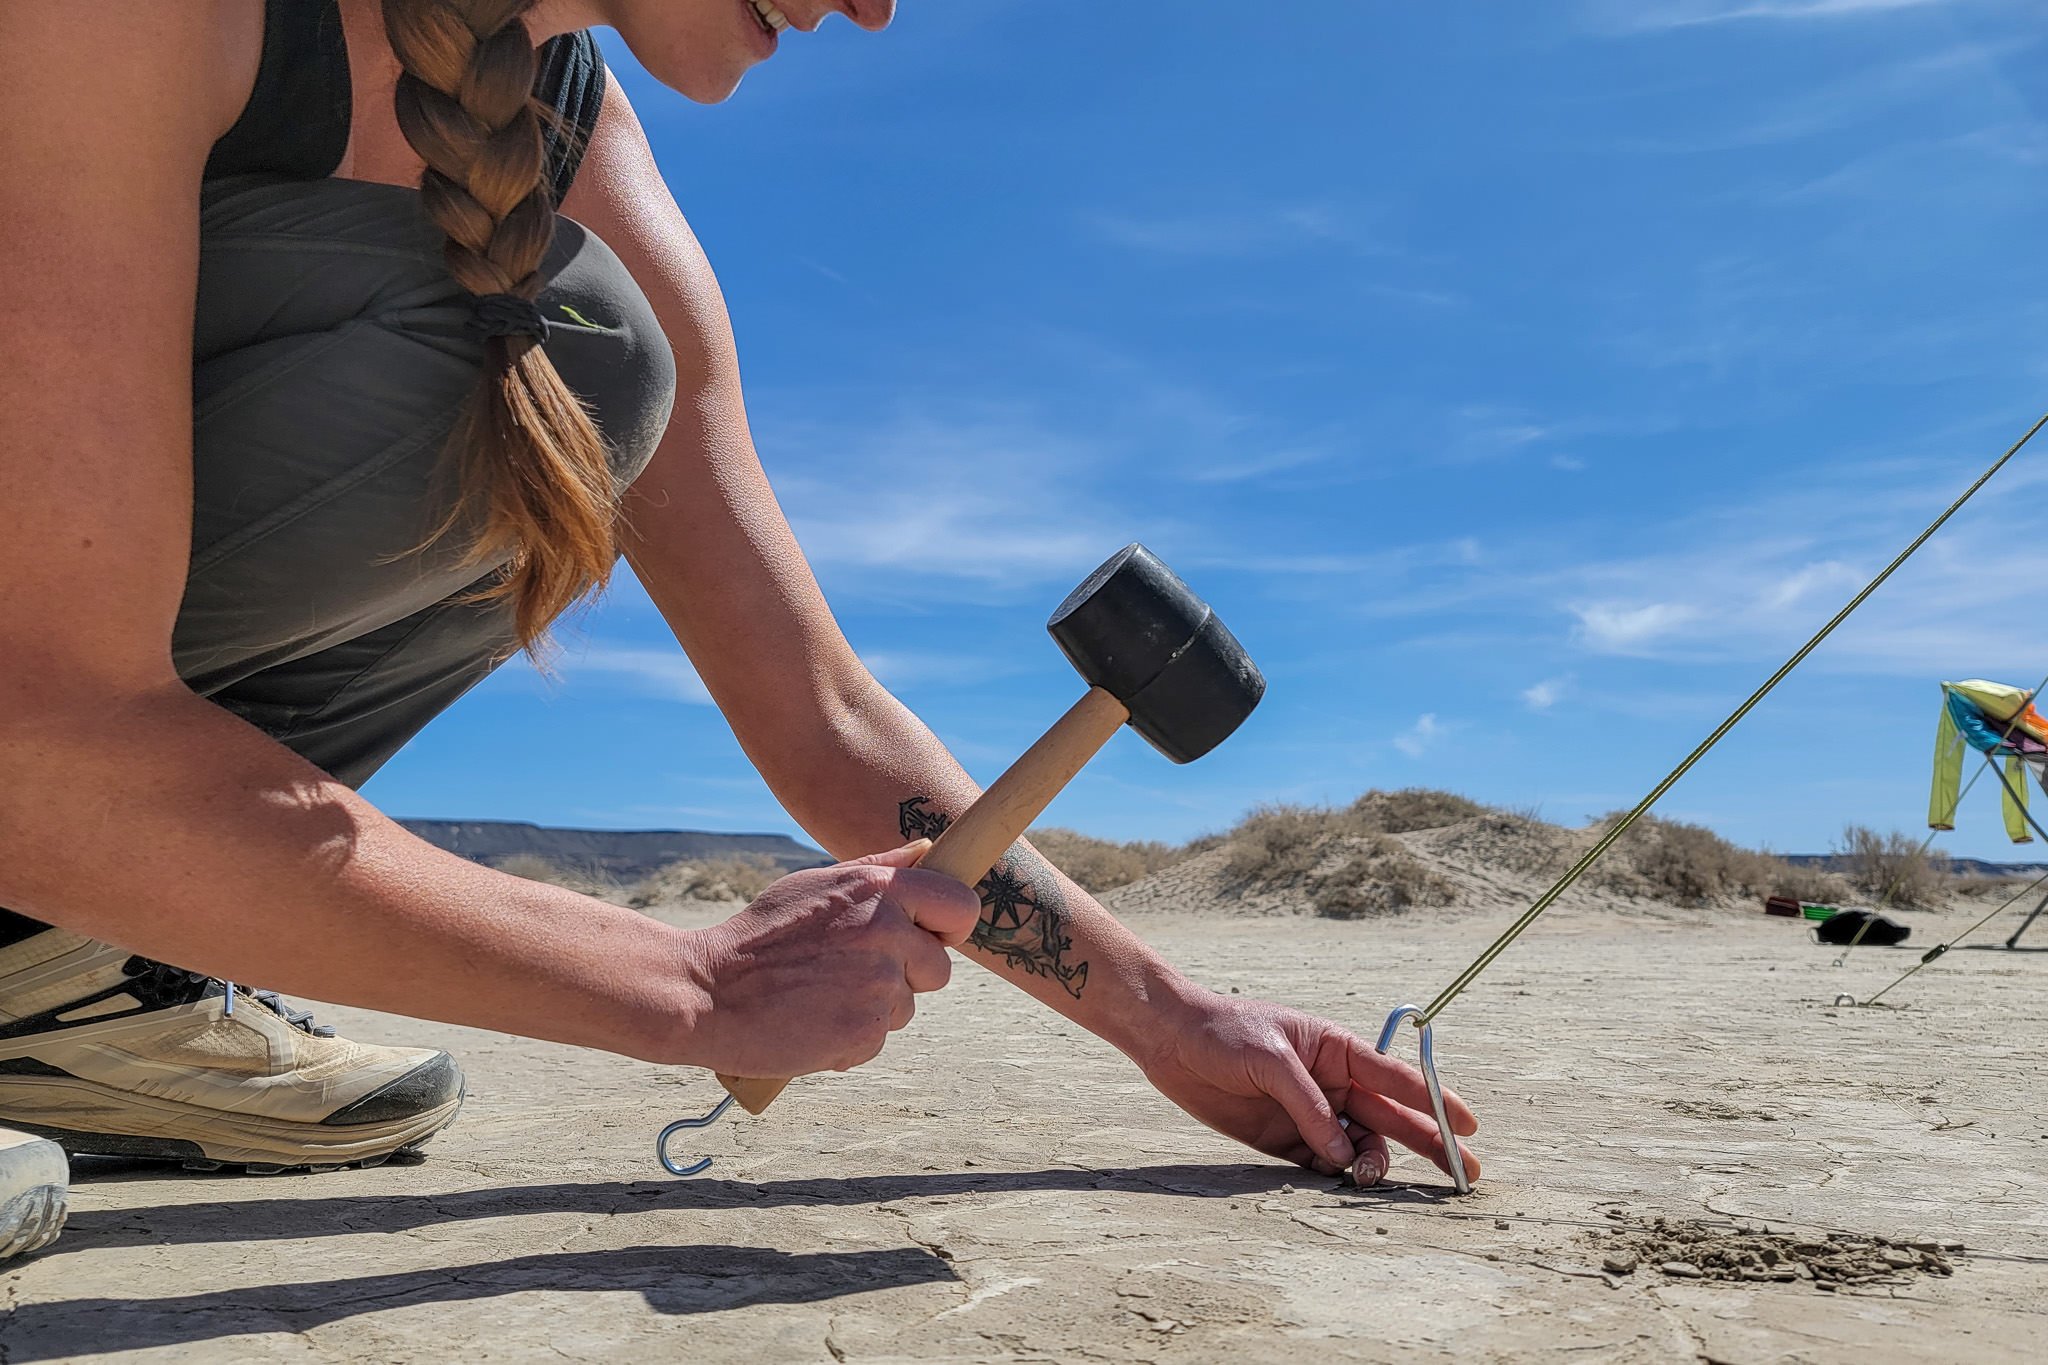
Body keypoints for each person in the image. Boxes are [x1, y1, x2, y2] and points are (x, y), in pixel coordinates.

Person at [0, 0, 1480, 1256]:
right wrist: (688, 985)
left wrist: (1174, 1017)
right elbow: (41, 736)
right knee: (508, 347)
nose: (879, 7)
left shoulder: (569, 145)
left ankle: (47, 978)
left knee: (574, 367)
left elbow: (820, 712)